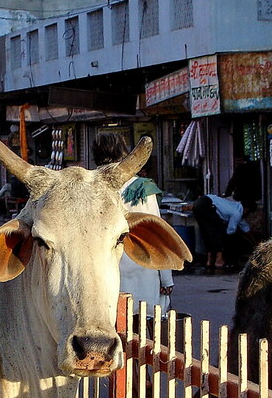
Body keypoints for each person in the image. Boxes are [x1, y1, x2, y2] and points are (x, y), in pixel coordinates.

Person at [91, 131, 174, 317]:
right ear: (124, 152)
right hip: (142, 268)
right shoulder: (141, 188)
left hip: (103, 271)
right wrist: (166, 278)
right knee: (144, 330)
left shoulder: (90, 186)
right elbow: (156, 234)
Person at [192, 193, 256, 269]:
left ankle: (209, 260)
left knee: (206, 233)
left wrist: (254, 241)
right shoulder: (237, 213)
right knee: (217, 232)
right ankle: (219, 260)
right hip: (207, 204)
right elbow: (230, 230)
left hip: (198, 204)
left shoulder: (236, 207)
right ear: (247, 210)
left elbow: (244, 226)